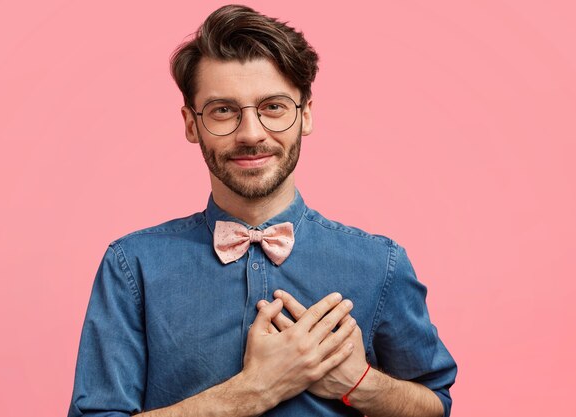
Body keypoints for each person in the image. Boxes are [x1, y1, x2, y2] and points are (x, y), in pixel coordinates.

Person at [67, 4, 457, 417]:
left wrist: (361, 383)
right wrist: (252, 392)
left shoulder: (382, 264)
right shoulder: (132, 266)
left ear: (305, 115)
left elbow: (435, 405)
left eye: (273, 106)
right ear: (190, 123)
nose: (251, 134)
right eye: (223, 111)